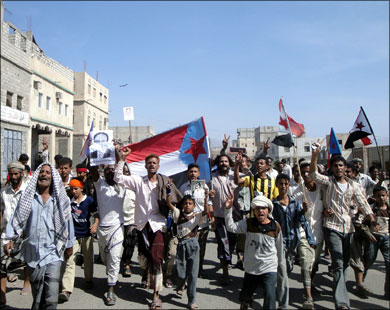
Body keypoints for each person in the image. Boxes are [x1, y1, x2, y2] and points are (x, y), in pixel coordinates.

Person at [310, 143, 377, 310]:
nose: (338, 168)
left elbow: (362, 202)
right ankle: (341, 302)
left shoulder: (353, 186)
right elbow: (313, 174)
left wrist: (370, 216)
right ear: (332, 168)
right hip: (332, 227)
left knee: (345, 263)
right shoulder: (329, 182)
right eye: (335, 166)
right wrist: (315, 155)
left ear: (345, 167)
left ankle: (339, 287)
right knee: (339, 263)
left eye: (341, 165)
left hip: (349, 229)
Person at [114, 148, 182, 310]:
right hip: (142, 225)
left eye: (154, 163)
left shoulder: (165, 182)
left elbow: (175, 201)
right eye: (149, 163)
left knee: (157, 258)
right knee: (144, 259)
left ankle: (156, 295)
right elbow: (118, 178)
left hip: (158, 225)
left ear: (158, 166)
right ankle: (146, 273)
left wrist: (168, 196)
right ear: (145, 166)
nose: (151, 165)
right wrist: (121, 159)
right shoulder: (138, 182)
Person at [3, 162, 74, 309]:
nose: (44, 174)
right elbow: (16, 219)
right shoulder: (28, 199)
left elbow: (68, 222)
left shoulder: (60, 200)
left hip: (53, 251)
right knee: (38, 294)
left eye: (48, 172)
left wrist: (69, 243)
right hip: (33, 251)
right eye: (42, 172)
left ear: (52, 177)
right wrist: (9, 238)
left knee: (51, 294)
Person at [225, 195, 285, 310]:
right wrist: (228, 210)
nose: (260, 211)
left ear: (268, 210)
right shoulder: (248, 223)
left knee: (270, 296)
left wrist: (281, 266)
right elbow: (231, 227)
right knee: (245, 296)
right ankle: (245, 302)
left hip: (269, 267)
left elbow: (279, 247)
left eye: (263, 208)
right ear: (254, 211)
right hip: (252, 268)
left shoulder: (275, 226)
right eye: (257, 208)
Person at [272, 173, 315, 310]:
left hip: (293, 241)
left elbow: (303, 222)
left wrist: (310, 238)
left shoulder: (295, 204)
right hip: (280, 243)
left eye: (285, 184)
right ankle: (283, 305)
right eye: (280, 184)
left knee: (288, 267)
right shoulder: (273, 205)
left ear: (288, 185)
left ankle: (279, 287)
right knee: (283, 272)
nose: (283, 186)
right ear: (277, 185)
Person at [89, 156, 124, 306]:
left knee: (115, 259)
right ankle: (109, 274)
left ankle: (111, 290)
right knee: (106, 259)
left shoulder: (123, 185)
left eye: (113, 169)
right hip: (103, 230)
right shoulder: (100, 183)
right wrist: (93, 153)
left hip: (117, 227)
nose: (110, 172)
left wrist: (120, 157)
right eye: (108, 169)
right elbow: (93, 170)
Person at [166, 189, 209, 310]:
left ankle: (191, 300)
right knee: (181, 272)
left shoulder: (197, 216)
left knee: (193, 274)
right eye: (185, 203)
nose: (187, 206)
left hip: (193, 245)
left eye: (190, 203)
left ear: (194, 206)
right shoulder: (178, 214)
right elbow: (169, 204)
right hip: (182, 245)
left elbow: (206, 211)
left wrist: (206, 198)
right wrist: (168, 193)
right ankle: (180, 285)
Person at [59, 177, 98, 302]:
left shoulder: (89, 201)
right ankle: (66, 289)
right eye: (71, 189)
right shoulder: (69, 201)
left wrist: (95, 224)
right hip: (73, 236)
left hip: (86, 234)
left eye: (76, 188)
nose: (73, 191)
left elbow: (96, 214)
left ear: (81, 188)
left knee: (87, 258)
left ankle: (88, 279)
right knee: (69, 260)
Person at [292, 162, 325, 308]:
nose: (306, 175)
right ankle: (308, 296)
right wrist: (301, 210)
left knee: (314, 264)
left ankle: (310, 284)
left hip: (319, 233)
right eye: (303, 173)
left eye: (308, 172)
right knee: (306, 263)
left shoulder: (323, 190)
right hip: (303, 232)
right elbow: (293, 214)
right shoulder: (297, 192)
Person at [1, 162, 30, 305]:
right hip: (6, 233)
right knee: (1, 263)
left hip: (23, 232)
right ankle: (2, 296)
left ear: (22, 174)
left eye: (16, 174)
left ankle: (26, 283)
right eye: (11, 174)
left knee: (24, 262)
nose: (13, 177)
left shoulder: (28, 191)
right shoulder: (4, 192)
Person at [179, 163, 212, 277]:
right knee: (188, 247)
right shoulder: (183, 188)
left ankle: (199, 268)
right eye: (191, 171)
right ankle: (188, 270)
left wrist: (207, 196)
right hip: (188, 223)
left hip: (202, 221)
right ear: (188, 173)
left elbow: (208, 205)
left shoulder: (204, 187)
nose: (193, 173)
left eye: (195, 171)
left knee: (201, 247)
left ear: (198, 173)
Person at [209, 154, 237, 286]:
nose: (224, 163)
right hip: (219, 217)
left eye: (226, 161)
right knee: (222, 244)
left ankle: (228, 259)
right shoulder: (212, 177)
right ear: (217, 163)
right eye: (221, 161)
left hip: (234, 217)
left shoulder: (235, 175)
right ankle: (225, 273)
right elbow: (206, 196)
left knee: (231, 244)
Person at [364, 186, 389, 300]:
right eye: (378, 196)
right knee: (369, 259)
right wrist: (368, 233)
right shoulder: (371, 210)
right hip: (373, 238)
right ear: (374, 197)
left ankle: (388, 292)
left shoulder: (388, 209)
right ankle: (361, 279)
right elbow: (363, 223)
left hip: (386, 238)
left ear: (387, 196)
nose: (381, 198)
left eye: (383, 195)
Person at [121, 163, 137, 278]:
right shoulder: (117, 186)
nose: (126, 174)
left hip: (132, 219)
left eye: (127, 172)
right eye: (124, 172)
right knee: (119, 243)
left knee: (130, 243)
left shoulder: (136, 188)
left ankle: (127, 264)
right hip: (118, 220)